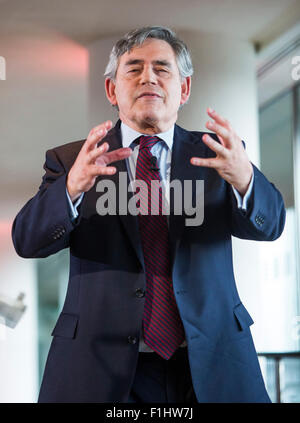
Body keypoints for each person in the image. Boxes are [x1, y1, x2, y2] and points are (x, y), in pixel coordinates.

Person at [12, 26, 285, 403]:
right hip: (99, 367)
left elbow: (270, 227)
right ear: (112, 90)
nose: (148, 78)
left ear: (184, 89)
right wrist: (72, 187)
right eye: (134, 68)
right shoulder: (73, 160)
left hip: (211, 363)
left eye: (162, 68)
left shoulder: (220, 155)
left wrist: (245, 180)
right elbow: (27, 241)